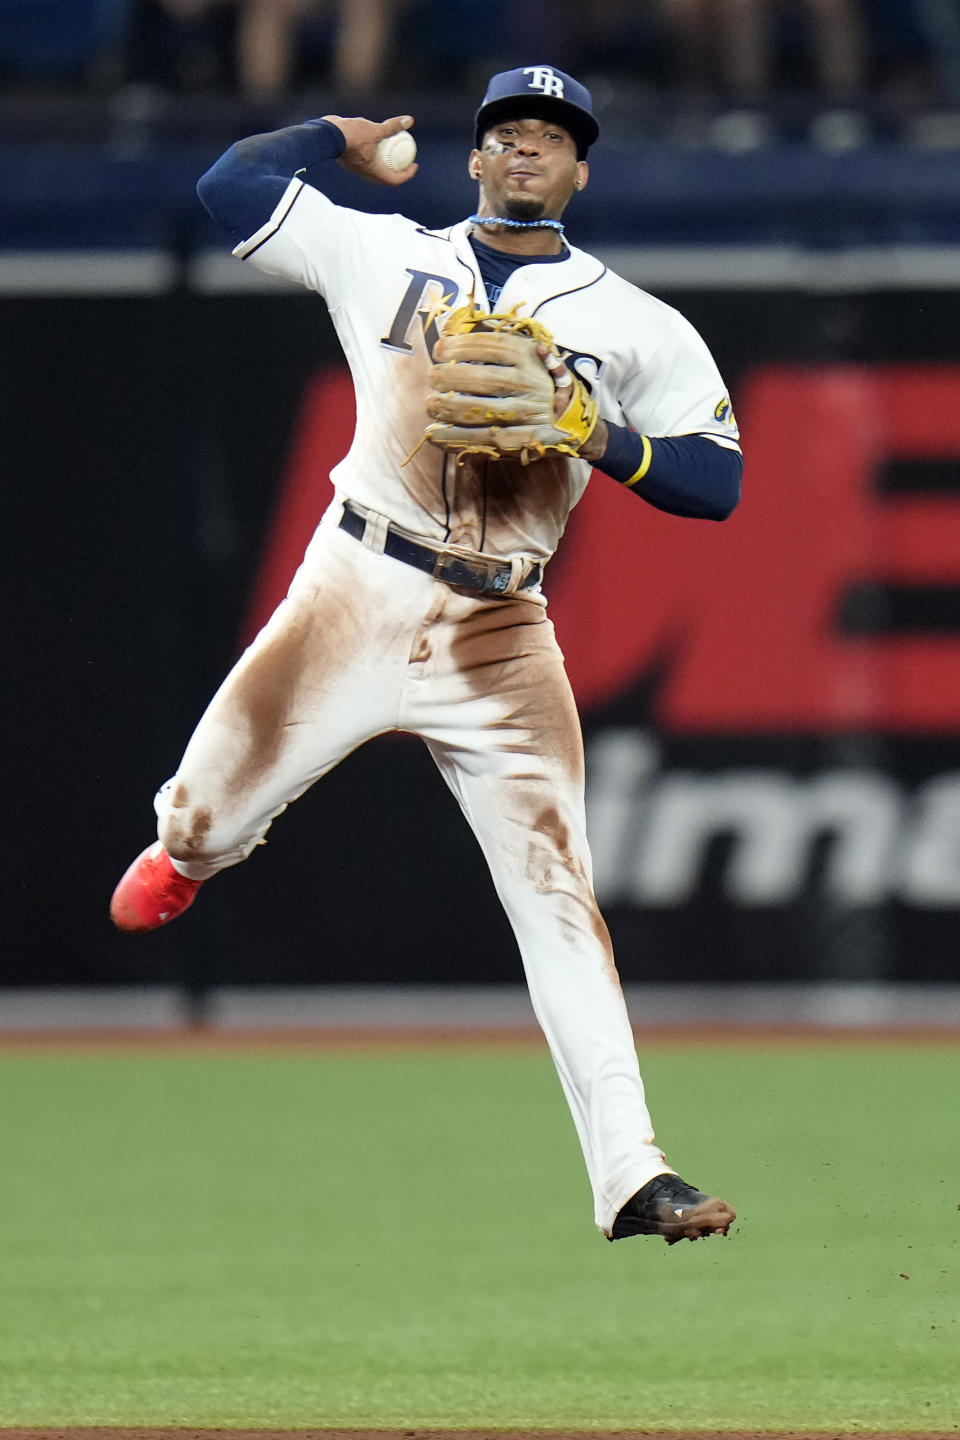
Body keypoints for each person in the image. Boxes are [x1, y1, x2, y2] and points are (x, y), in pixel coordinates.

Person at [110, 64, 742, 1245]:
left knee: (561, 900)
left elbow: (719, 486)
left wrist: (592, 433)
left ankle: (633, 1176)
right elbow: (228, 183)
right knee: (195, 818)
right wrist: (334, 137)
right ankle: (194, 851)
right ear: (474, 157)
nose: (526, 153)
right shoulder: (383, 252)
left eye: (551, 139)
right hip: (357, 585)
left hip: (503, 631)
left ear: (580, 170)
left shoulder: (634, 323)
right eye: (508, 134)